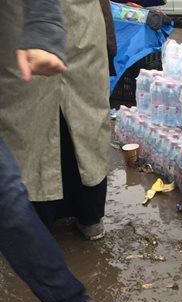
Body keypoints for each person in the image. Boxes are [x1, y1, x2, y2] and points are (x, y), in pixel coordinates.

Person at [0, 0, 143, 302]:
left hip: (50, 35)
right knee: (23, 145)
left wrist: (44, 29)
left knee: (7, 194)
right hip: (15, 39)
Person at [0, 0, 114, 241]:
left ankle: (82, 215)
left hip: (50, 26)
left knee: (84, 114)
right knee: (32, 119)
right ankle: (74, 217)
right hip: (31, 26)